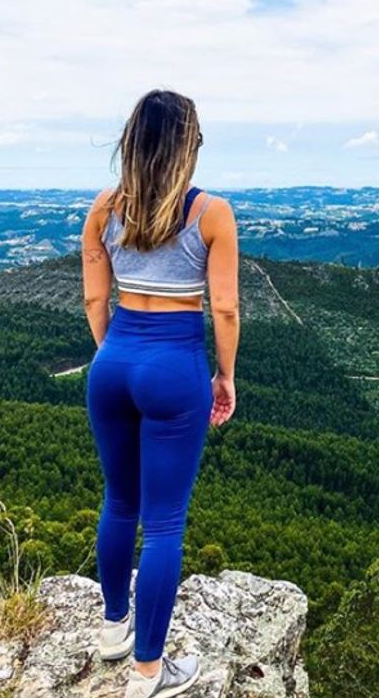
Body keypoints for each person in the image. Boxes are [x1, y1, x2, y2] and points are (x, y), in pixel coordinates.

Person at [81, 88, 240, 698]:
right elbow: (223, 307)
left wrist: (112, 355)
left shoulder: (103, 208)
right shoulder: (211, 214)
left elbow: (96, 299)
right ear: (186, 148)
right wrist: (223, 376)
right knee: (165, 523)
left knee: (119, 502)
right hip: (175, 368)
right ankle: (149, 673)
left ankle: (114, 630)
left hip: (114, 361)